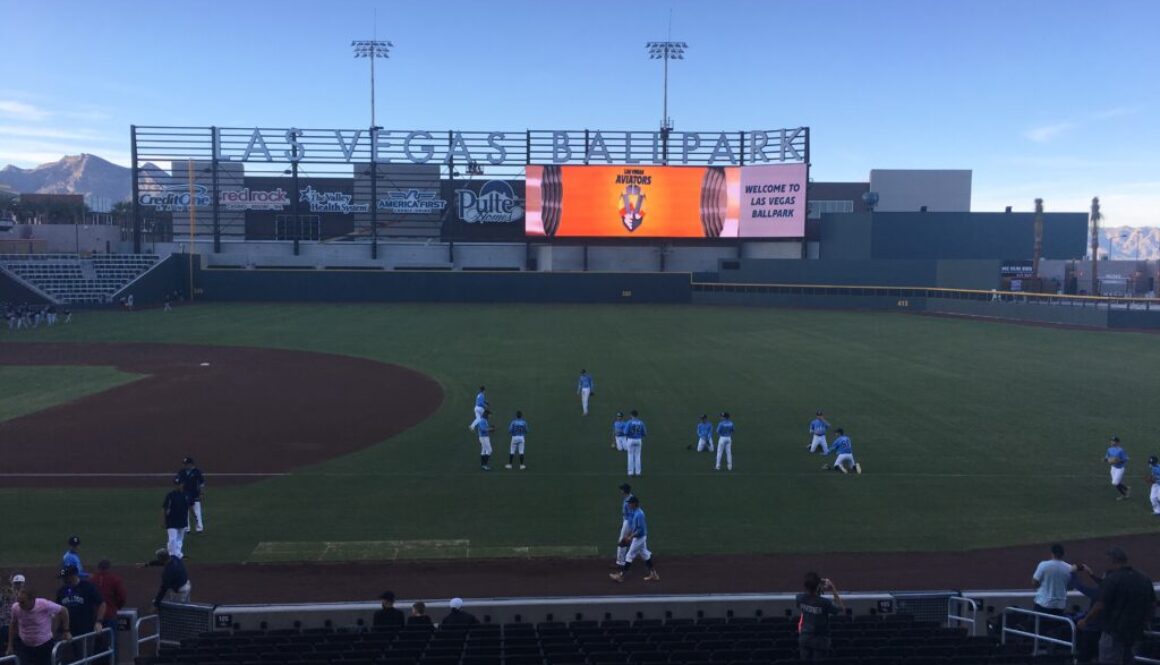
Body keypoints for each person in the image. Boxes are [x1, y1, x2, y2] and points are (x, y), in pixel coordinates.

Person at [1076, 547, 1155, 665]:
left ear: (1112, 560)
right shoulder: (1144, 578)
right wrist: (1147, 621)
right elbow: (1152, 604)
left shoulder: (1112, 579)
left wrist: (1085, 620)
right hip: (1134, 633)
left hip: (1113, 633)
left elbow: (1100, 604)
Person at [7, 587, 69, 665]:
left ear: (32, 600)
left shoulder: (43, 604)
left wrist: (66, 631)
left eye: (23, 602)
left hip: (44, 645)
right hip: (25, 645)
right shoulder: (16, 608)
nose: (20, 605)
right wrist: (10, 645)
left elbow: (64, 610)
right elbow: (13, 624)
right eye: (18, 601)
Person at [796, 572, 845, 661]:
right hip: (820, 641)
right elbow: (841, 608)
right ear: (818, 586)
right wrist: (832, 588)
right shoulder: (824, 602)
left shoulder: (799, 598)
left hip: (804, 639)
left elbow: (809, 598)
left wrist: (816, 586)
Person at [609, 496, 659, 582]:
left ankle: (621, 576)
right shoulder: (635, 512)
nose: (628, 504)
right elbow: (634, 527)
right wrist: (628, 535)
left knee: (629, 555)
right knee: (645, 555)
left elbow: (640, 529)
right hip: (639, 538)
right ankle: (654, 574)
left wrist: (630, 537)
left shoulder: (639, 514)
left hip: (640, 538)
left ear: (635, 504)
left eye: (630, 503)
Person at [55, 565, 105, 644]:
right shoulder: (61, 591)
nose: (64, 580)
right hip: (67, 632)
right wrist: (59, 629)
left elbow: (102, 603)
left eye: (66, 577)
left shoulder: (88, 587)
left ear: (73, 576)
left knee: (85, 654)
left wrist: (99, 622)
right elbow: (58, 611)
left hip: (85, 630)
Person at [1031, 543, 1076, 615]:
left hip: (1043, 604)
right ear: (1063, 554)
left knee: (1037, 625)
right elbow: (1071, 587)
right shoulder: (1070, 568)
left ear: (1052, 553)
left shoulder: (1043, 565)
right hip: (1059, 606)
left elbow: (1034, 582)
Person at [90, 561, 126, 637]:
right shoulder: (115, 579)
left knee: (96, 642)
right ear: (109, 568)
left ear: (98, 567)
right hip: (110, 614)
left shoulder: (91, 580)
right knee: (111, 641)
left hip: (95, 616)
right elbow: (122, 597)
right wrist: (117, 607)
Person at [175, 457, 206, 533]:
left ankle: (199, 528)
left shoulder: (197, 472)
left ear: (191, 464)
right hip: (184, 495)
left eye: (186, 464)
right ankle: (186, 528)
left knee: (197, 511)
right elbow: (176, 480)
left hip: (195, 494)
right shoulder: (182, 472)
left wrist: (201, 493)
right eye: (184, 464)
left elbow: (201, 483)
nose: (185, 466)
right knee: (185, 511)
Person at [163, 477, 190, 558]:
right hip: (171, 521)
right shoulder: (170, 495)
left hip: (182, 520)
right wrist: (164, 521)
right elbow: (164, 508)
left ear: (182, 484)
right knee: (172, 539)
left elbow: (189, 506)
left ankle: (178, 554)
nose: (177, 486)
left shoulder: (186, 495)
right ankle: (172, 554)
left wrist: (195, 516)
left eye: (179, 484)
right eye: (176, 484)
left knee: (179, 540)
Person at [614, 483, 635, 568]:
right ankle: (647, 555)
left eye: (622, 489)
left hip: (628, 522)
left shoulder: (628, 501)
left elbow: (631, 515)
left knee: (622, 541)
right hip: (627, 521)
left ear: (624, 491)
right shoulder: (629, 498)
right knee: (635, 542)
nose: (620, 490)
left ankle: (620, 562)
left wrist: (627, 526)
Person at [0, 573, 23, 648]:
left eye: (18, 583)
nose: (17, 585)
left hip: (13, 624)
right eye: (16, 583)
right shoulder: (7, 593)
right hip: (5, 624)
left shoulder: (20, 595)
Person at [623, 410, 646, 477]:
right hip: (638, 440)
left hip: (630, 440)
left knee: (630, 456)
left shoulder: (629, 422)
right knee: (638, 456)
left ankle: (630, 472)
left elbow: (625, 432)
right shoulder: (641, 422)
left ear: (631, 415)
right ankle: (638, 472)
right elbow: (644, 433)